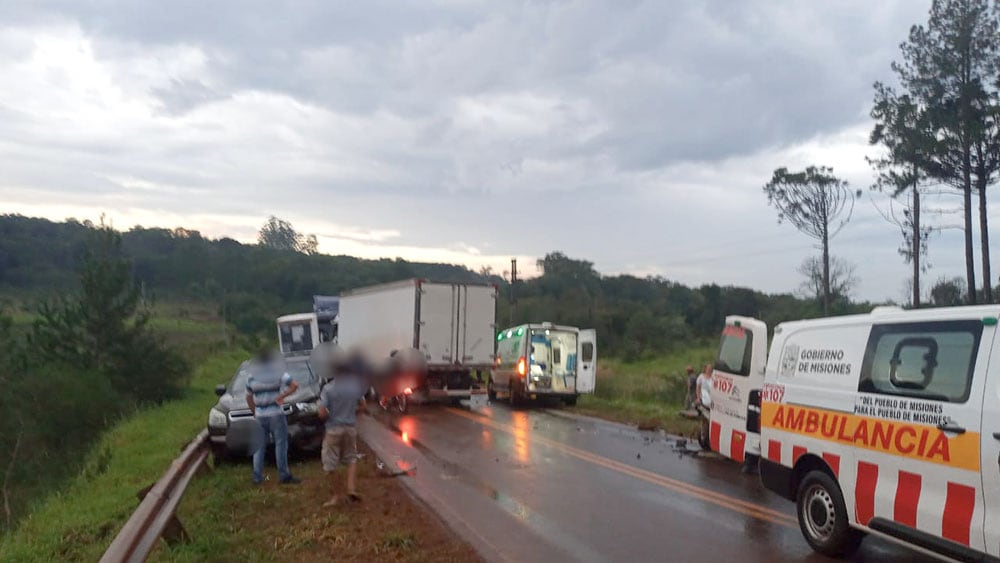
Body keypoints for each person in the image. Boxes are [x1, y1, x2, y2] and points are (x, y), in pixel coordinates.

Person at [318, 357, 369, 507]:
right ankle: (351, 489)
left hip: (333, 429)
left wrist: (329, 414)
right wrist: (353, 413)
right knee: (351, 459)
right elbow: (364, 406)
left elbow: (321, 413)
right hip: (350, 428)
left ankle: (336, 496)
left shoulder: (328, 389)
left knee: (329, 463)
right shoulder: (355, 387)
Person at [246, 348, 301, 485]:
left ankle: (257, 477)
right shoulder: (278, 373)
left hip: (260, 414)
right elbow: (294, 385)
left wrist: (255, 411)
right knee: (280, 445)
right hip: (276, 414)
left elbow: (248, 397)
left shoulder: (251, 377)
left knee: (259, 447)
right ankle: (284, 475)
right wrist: (282, 396)